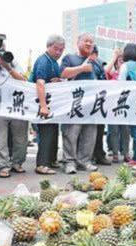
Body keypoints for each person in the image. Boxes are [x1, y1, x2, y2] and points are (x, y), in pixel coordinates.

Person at [0, 39, 28, 178]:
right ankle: (3, 165)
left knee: (21, 137)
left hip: (16, 104)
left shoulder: (13, 62)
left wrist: (8, 67)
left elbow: (24, 81)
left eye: (1, 49)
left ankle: (17, 163)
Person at [60, 33, 99, 174]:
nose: (89, 44)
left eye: (91, 42)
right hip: (74, 103)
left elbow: (103, 79)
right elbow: (63, 73)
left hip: (91, 104)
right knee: (71, 132)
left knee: (90, 133)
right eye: (86, 41)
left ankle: (85, 161)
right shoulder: (69, 58)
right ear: (78, 42)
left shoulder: (96, 62)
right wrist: (82, 68)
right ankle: (69, 162)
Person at [31, 34, 65, 175]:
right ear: (48, 46)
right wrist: (43, 106)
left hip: (52, 105)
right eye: (56, 49)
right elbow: (40, 83)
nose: (58, 52)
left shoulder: (54, 62)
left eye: (61, 50)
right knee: (46, 134)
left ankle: (51, 160)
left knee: (53, 133)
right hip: (42, 104)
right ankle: (41, 164)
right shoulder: (43, 61)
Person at [106, 48, 130, 163]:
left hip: (126, 106)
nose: (121, 63)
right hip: (113, 106)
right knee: (114, 131)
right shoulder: (112, 74)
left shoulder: (128, 73)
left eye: (123, 61)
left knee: (125, 131)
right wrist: (114, 57)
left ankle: (125, 153)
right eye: (119, 61)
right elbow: (105, 71)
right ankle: (115, 153)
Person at [89, 45, 111, 166]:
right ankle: (89, 155)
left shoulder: (99, 63)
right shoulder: (84, 62)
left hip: (100, 99)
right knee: (89, 131)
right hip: (88, 101)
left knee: (99, 130)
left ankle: (99, 154)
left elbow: (105, 78)